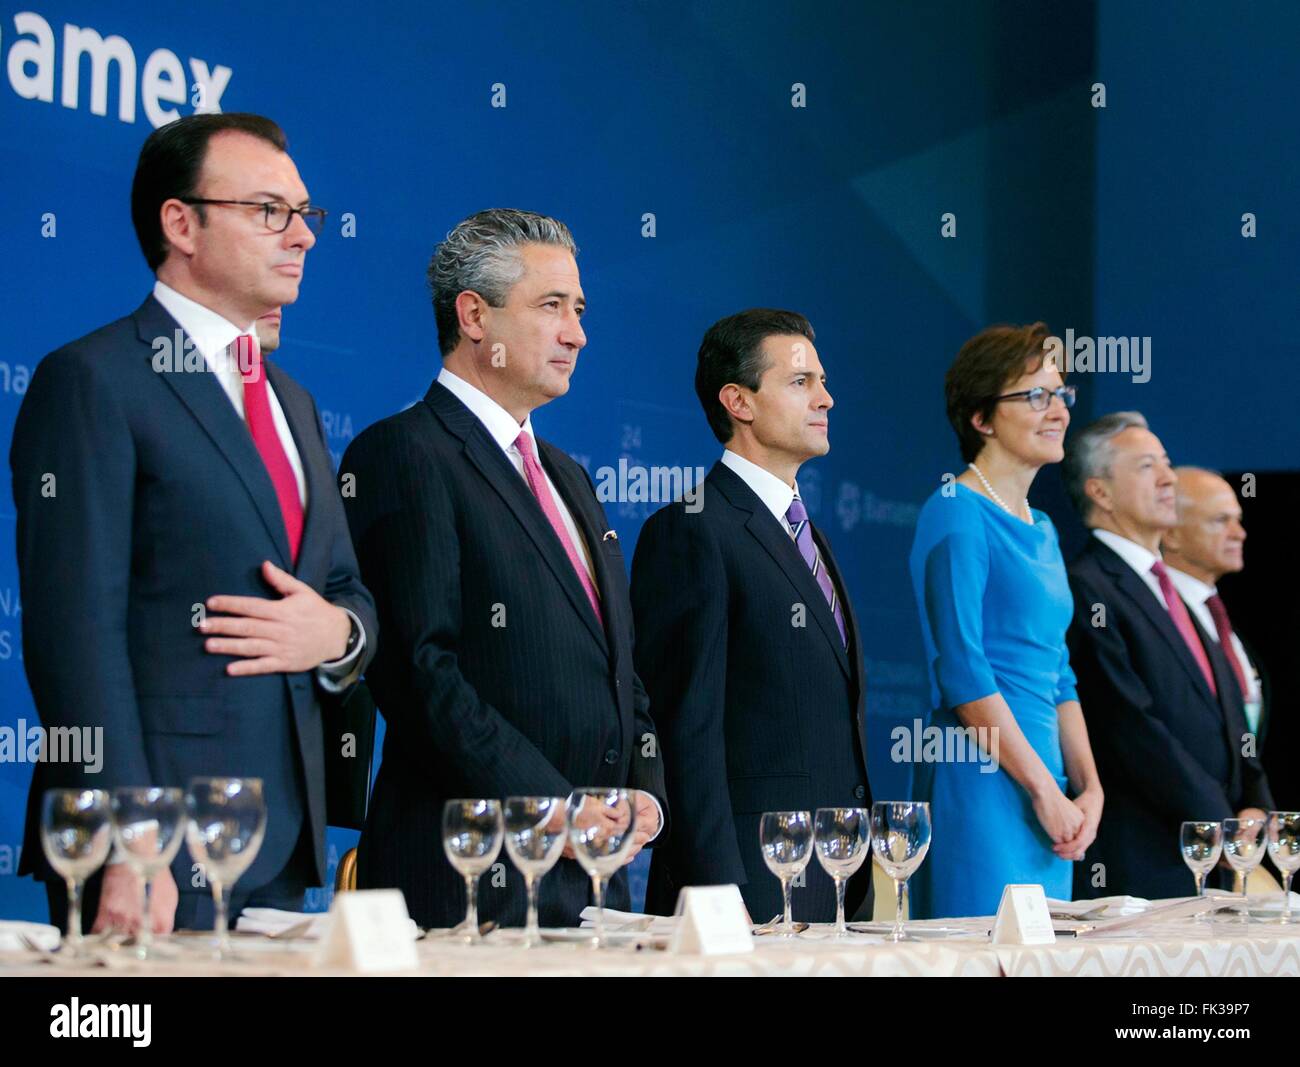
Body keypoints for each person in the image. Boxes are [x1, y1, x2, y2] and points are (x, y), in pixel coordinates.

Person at [10, 113, 377, 934]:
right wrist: (133, 839)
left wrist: (338, 637)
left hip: (277, 842)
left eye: (305, 214)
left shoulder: (293, 401)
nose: (303, 237)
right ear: (182, 223)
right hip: (151, 858)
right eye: (268, 212)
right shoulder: (93, 380)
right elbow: (75, 635)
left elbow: (345, 589)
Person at [340, 209, 666, 929]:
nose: (577, 333)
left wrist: (644, 790)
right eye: (552, 306)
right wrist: (556, 807)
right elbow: (421, 671)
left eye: (579, 310)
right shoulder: (402, 454)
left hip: (590, 883)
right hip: (466, 875)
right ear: (474, 316)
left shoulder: (570, 477)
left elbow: (619, 667)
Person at [631, 309, 871, 923]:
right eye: (801, 382)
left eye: (821, 380)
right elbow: (686, 730)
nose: (826, 398)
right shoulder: (691, 530)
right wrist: (719, 893)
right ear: (738, 401)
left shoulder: (809, 534)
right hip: (748, 890)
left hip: (835, 879)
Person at [908, 323, 1102, 919]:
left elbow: (1059, 673)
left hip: (1048, 797)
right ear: (982, 419)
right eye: (1035, 396)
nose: (1058, 411)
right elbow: (964, 674)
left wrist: (1087, 787)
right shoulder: (956, 513)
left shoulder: (1042, 528)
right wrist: (1044, 789)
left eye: (1061, 394)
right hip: (985, 782)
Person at [1063, 413, 1272, 899]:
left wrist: (1255, 804)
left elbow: (1228, 713)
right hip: (1142, 862)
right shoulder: (1087, 586)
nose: (1168, 477)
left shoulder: (1178, 595)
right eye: (1146, 466)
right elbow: (1129, 725)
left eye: (1167, 463)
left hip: (1208, 853)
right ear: (1101, 492)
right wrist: (1219, 822)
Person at [1162, 467, 1268, 746]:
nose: (1239, 533)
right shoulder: (1157, 616)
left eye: (1238, 520)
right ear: (1171, 534)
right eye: (1221, 521)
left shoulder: (1217, 613)